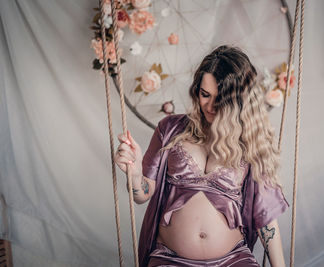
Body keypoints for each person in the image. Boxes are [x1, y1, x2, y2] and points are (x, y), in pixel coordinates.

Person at [115, 45, 289, 267]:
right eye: (205, 94)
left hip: (234, 259)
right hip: (171, 259)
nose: (210, 106)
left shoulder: (250, 141)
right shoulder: (169, 129)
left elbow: (266, 218)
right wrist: (136, 172)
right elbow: (142, 194)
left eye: (221, 99)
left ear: (238, 100)